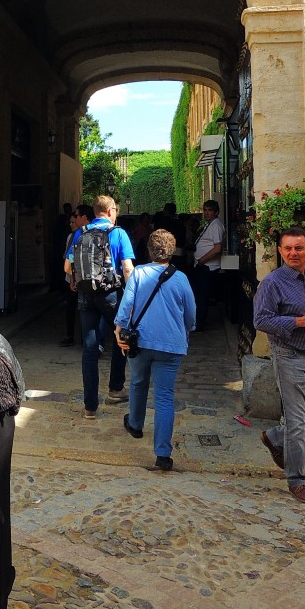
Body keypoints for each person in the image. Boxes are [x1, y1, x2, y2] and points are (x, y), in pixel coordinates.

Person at [253, 225, 305, 506]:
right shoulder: (273, 283)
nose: (293, 253)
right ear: (280, 251)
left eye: (298, 248)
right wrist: (298, 322)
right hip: (289, 354)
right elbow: (261, 321)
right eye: (287, 248)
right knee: (296, 420)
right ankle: (297, 480)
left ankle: (275, 437)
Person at [114, 229, 196, 470]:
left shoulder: (138, 273)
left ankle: (136, 425)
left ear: (149, 250)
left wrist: (119, 330)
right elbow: (191, 315)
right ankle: (162, 453)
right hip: (170, 345)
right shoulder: (181, 278)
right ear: (172, 251)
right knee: (164, 397)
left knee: (138, 382)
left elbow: (126, 305)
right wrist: (187, 329)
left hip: (140, 341)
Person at [66, 194, 134, 419]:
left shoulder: (80, 233)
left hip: (86, 295)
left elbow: (67, 266)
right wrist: (132, 297)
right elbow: (127, 269)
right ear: (111, 211)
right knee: (121, 337)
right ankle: (115, 388)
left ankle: (90, 407)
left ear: (95, 212)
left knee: (90, 348)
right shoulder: (118, 233)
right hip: (111, 294)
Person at [59, 203, 92, 347]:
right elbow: (68, 256)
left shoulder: (83, 235)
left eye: (74, 220)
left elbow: (70, 257)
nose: (72, 224)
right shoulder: (70, 236)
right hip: (72, 276)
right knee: (71, 307)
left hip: (80, 277)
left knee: (84, 308)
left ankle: (85, 338)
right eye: (71, 221)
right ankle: (71, 335)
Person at [190, 199, 226, 331]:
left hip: (207, 266)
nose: (206, 213)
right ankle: (197, 322)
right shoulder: (210, 224)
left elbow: (217, 248)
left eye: (210, 210)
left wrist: (201, 261)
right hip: (204, 265)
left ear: (216, 212)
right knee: (199, 295)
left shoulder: (216, 225)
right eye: (205, 210)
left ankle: (199, 324)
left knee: (201, 296)